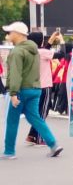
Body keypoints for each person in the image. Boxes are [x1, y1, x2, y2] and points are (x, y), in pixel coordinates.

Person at [2, 21, 63, 160]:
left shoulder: (17, 51)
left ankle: (9, 151)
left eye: (10, 32)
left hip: (21, 90)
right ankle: (53, 144)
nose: (8, 34)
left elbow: (16, 74)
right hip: (35, 89)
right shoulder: (34, 50)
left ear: (18, 34)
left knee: (12, 120)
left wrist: (13, 93)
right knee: (35, 118)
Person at [24, 32, 55, 147]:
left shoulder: (30, 51)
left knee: (37, 112)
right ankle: (38, 138)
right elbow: (63, 54)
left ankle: (32, 136)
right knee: (43, 112)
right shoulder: (43, 52)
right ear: (40, 41)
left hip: (34, 86)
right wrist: (61, 41)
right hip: (45, 86)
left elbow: (45, 51)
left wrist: (50, 41)